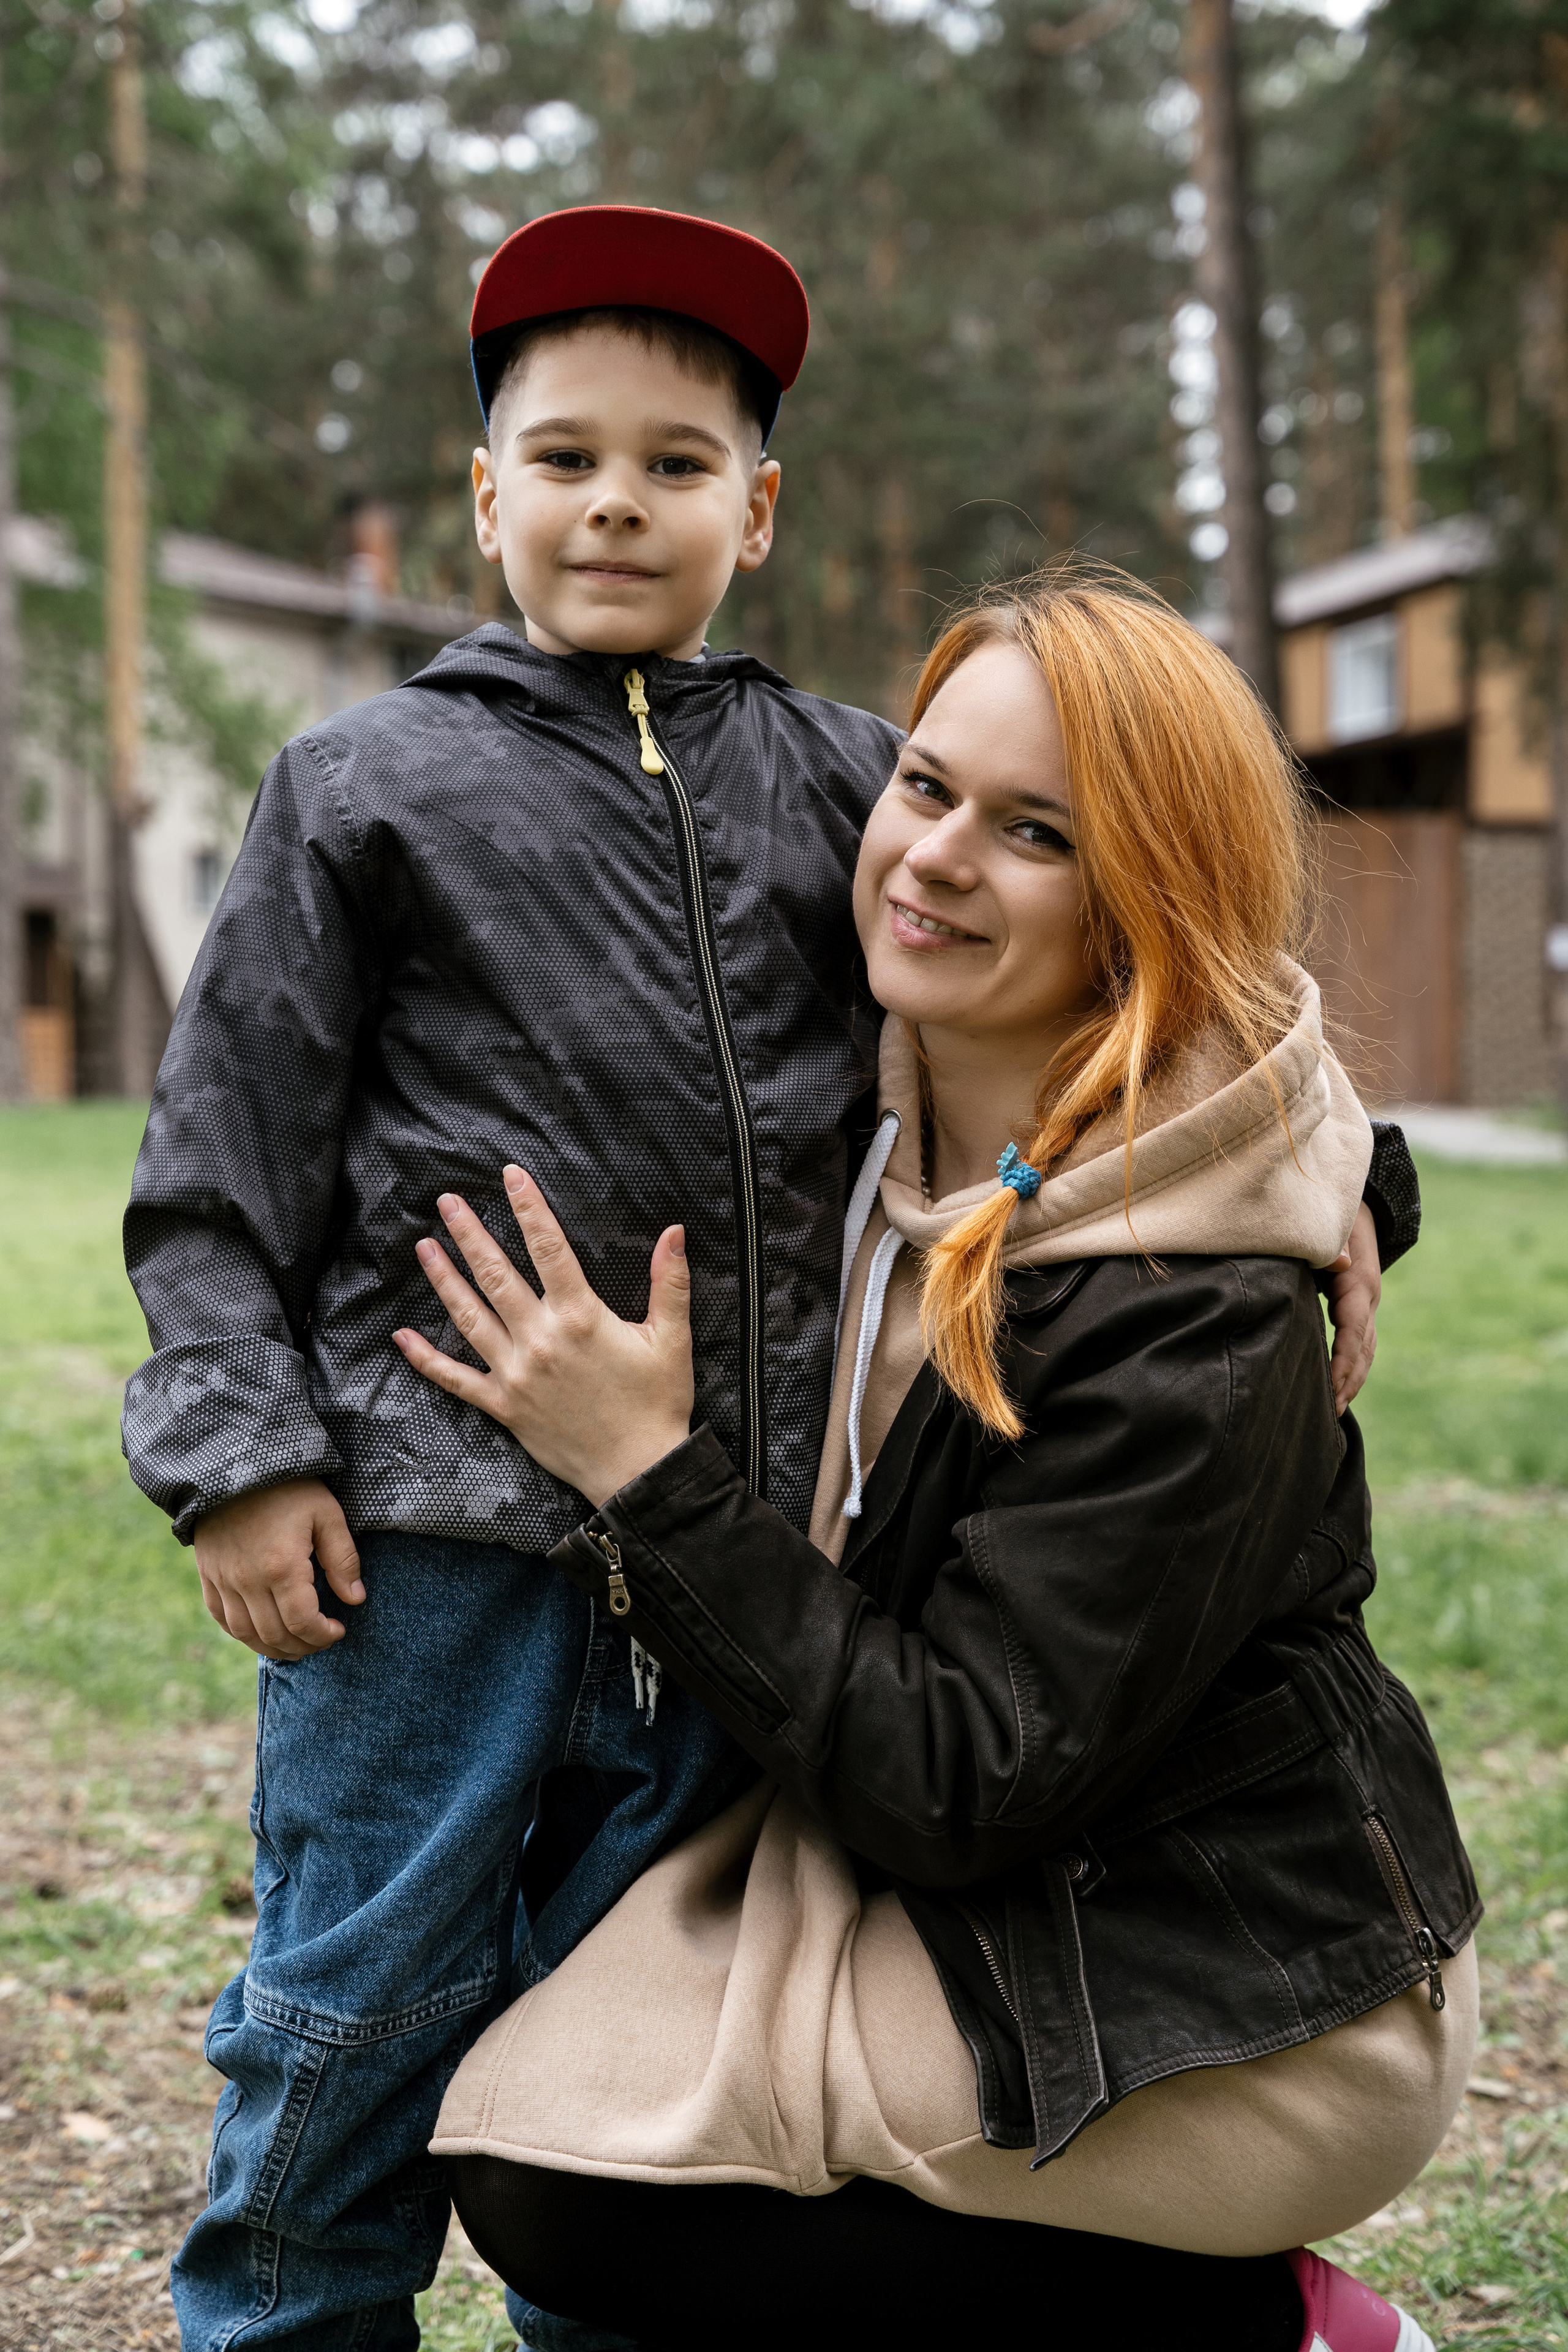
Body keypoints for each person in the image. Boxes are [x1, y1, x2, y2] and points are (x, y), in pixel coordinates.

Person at [393, 570, 1478, 2352]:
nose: (937, 859)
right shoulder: (865, 1066)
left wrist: (646, 1472)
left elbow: (960, 1781)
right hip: (1002, 1872)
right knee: (541, 2088)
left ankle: (1269, 2329)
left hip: (1231, 1977)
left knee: (569, 2184)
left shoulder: (1192, 1319)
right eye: (925, 786)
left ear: (1142, 900)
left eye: (1037, 833)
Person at [120, 205, 908, 2351]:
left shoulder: (852, 789)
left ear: (759, 508)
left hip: (731, 1562)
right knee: (353, 2015)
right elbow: (219, 1170)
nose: (615, 503)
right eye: (565, 458)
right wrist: (241, 1455)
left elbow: (1087, 985)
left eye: (675, 462)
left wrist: (1339, 1172)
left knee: (645, 2078)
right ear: (486, 498)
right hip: (427, 1564)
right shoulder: (362, 788)